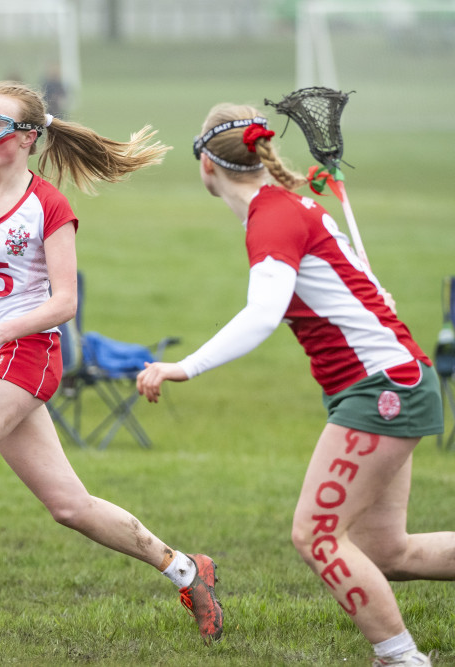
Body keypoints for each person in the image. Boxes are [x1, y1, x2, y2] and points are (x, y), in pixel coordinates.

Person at [0, 81, 223, 644]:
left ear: (27, 139)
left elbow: (64, 303)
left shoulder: (48, 205)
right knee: (69, 505)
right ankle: (188, 570)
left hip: (29, 351)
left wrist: (3, 327)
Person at [136, 103, 453, 667]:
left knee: (317, 535)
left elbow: (262, 315)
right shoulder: (291, 206)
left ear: (205, 167)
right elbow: (365, 288)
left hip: (383, 391)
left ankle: (402, 659)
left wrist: (181, 366)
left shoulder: (272, 217)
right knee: (387, 551)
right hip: (399, 380)